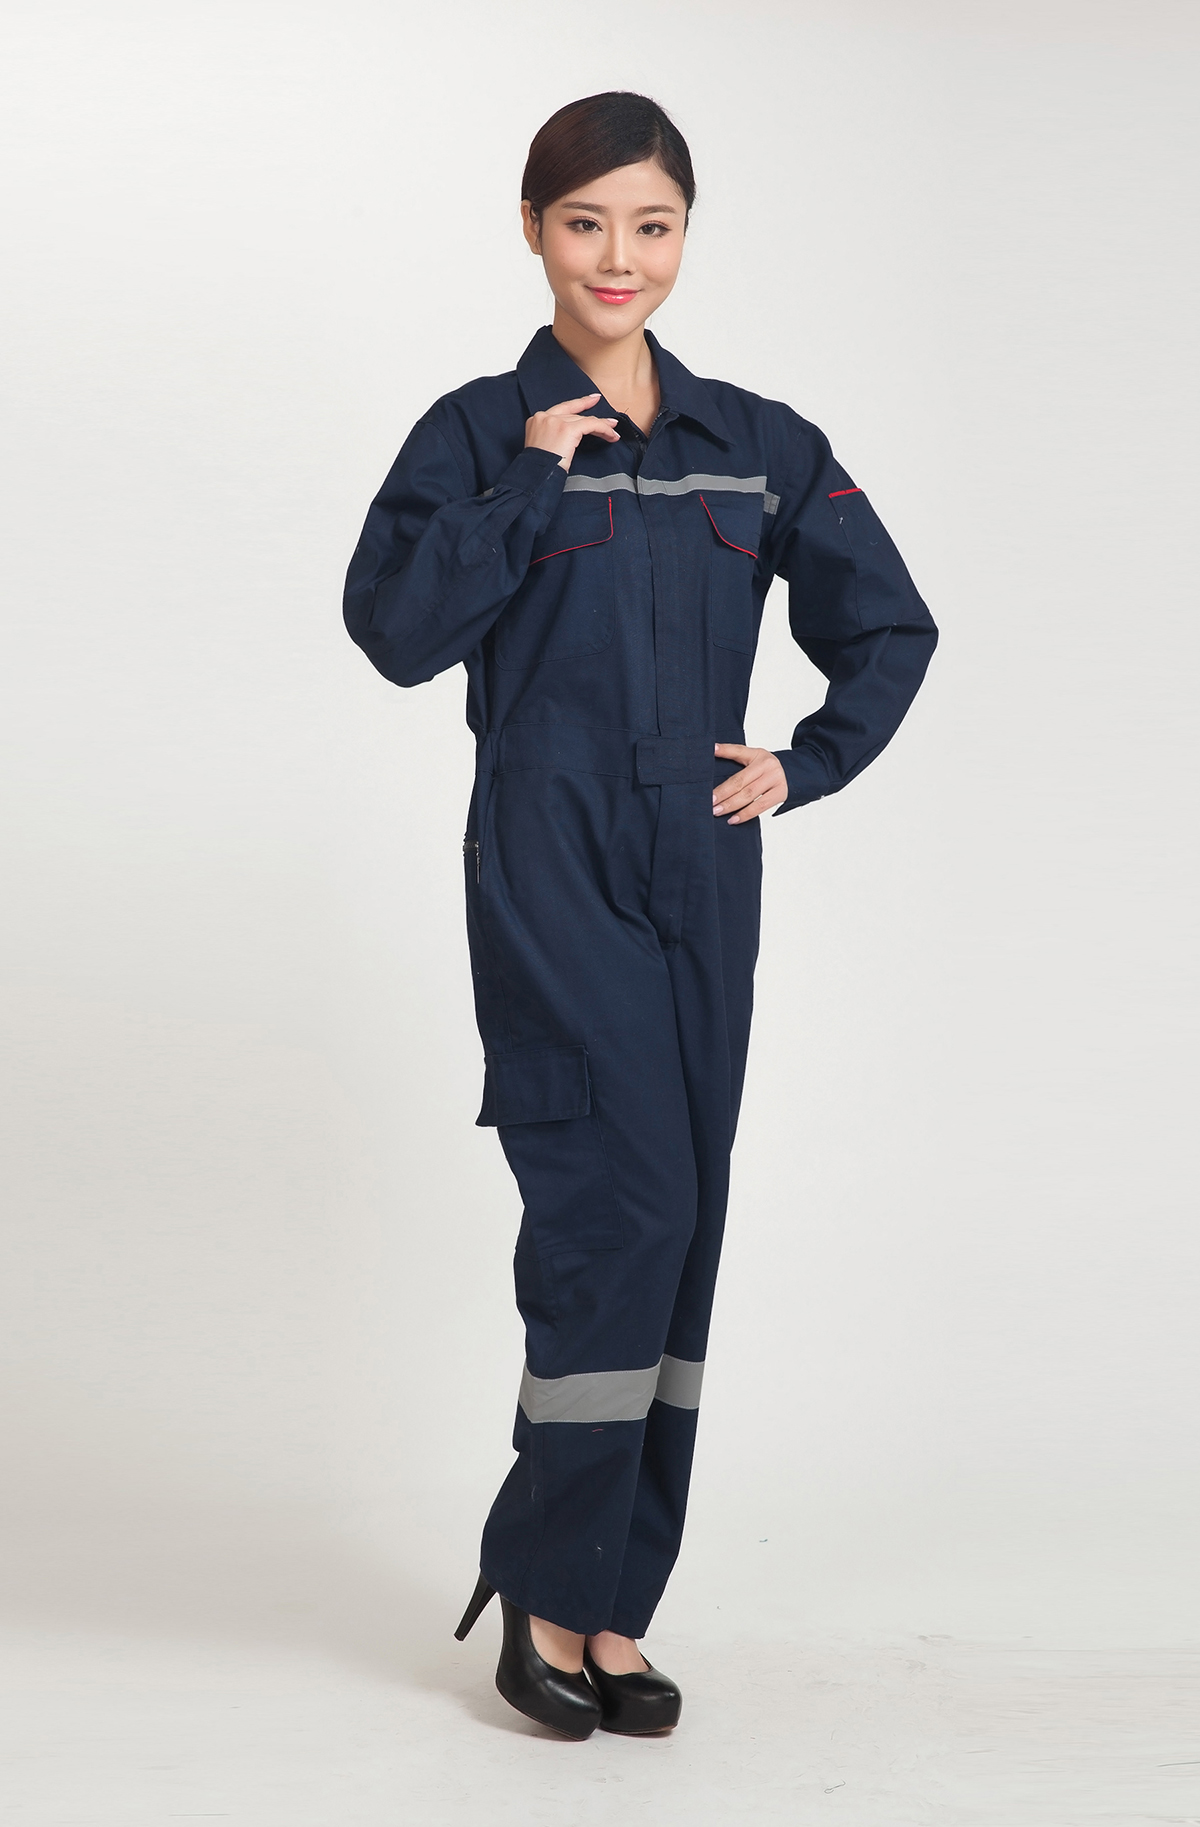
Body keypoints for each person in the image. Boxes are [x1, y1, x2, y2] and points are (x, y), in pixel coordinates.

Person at [343, 91, 937, 1740]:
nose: (621, 256)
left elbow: (890, 624)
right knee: (620, 1217)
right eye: (587, 221)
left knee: (686, 1235)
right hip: (551, 861)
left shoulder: (757, 441)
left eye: (652, 224)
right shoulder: (479, 432)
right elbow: (393, 631)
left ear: (685, 235)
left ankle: (614, 1605)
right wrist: (532, 484)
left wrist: (807, 762)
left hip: (704, 865)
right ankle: (543, 1592)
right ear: (535, 231)